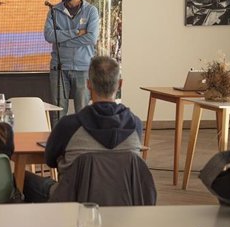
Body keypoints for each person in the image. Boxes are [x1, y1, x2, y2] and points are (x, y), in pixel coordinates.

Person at [22, 56, 143, 203]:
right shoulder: (135, 125)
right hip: (123, 202)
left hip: (71, 201)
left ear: (88, 84)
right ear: (120, 84)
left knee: (21, 177)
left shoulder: (68, 125)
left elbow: (50, 160)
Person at [44, 0, 100, 120]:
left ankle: (81, 142)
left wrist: (61, 40)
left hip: (83, 68)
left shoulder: (91, 11)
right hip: (59, 68)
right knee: (57, 113)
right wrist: (76, 32)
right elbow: (49, 36)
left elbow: (91, 38)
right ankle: (58, 142)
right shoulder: (54, 11)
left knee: (82, 113)